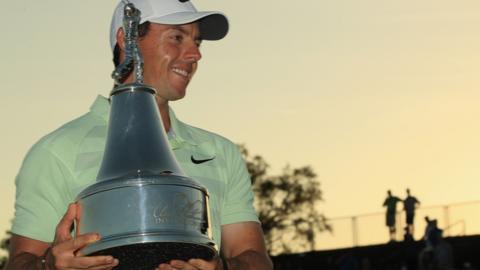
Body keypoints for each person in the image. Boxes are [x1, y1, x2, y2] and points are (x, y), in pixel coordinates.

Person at [7, 0, 273, 270]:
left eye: (197, 42)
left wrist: (224, 268)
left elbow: (255, 259)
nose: (195, 54)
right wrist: (48, 265)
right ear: (127, 39)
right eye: (177, 37)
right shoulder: (56, 152)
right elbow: (19, 263)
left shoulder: (220, 153)